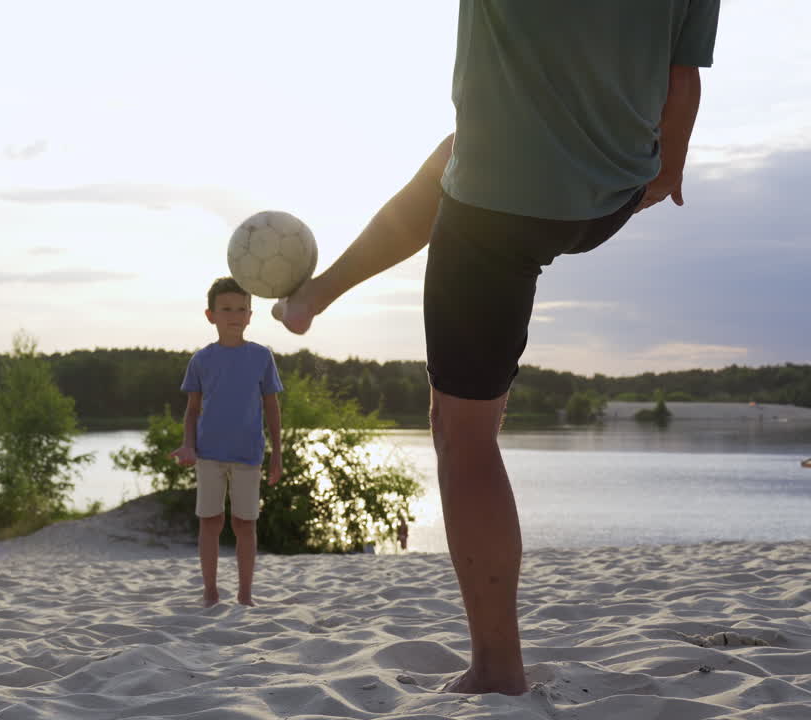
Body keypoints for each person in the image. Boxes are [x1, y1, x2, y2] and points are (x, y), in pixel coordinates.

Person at [272, 1, 719, 696]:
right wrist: (667, 172)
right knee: (458, 149)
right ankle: (318, 294)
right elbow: (682, 76)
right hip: (610, 195)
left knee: (463, 433)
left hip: (499, 207)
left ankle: (496, 666)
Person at [171, 277, 284, 608]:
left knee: (244, 524)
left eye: (241, 309)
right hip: (208, 456)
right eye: (226, 309)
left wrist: (277, 453)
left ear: (250, 315)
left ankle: (245, 594)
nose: (234, 315)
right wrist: (188, 445)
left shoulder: (262, 357)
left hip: (249, 455)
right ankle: (210, 591)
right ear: (211, 315)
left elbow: (272, 409)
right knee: (210, 522)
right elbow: (192, 411)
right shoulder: (201, 360)